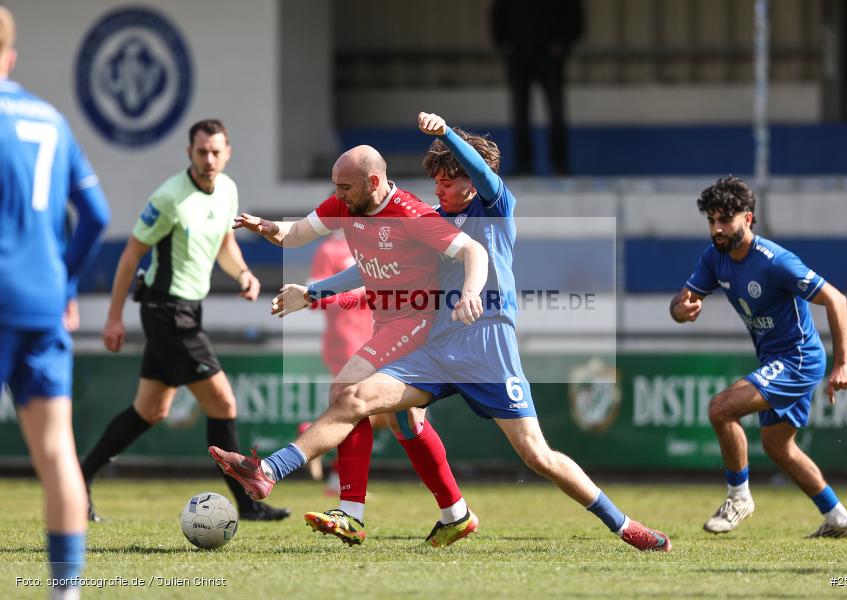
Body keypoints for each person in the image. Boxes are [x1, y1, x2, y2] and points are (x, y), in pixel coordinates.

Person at [211, 112, 672, 552]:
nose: (440, 189)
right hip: (434, 346)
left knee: (537, 455)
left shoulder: (496, 205)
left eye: (449, 181)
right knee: (355, 398)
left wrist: (448, 133)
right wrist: (315, 292)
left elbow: (480, 233)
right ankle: (272, 470)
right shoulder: (428, 218)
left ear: (473, 181)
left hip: (488, 349)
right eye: (435, 180)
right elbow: (373, 271)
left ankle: (624, 525)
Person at [221, 145, 488, 546]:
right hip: (388, 323)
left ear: (374, 182)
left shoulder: (411, 213)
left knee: (346, 392)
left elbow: (473, 250)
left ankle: (324, 499)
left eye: (345, 187)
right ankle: (456, 513)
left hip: (419, 323)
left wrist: (470, 293)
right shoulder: (347, 204)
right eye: (335, 187)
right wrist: (265, 227)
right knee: (406, 422)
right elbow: (294, 235)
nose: (338, 195)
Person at [79, 119, 289, 522]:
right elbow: (129, 256)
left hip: (188, 310)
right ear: (189, 154)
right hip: (165, 312)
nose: (208, 159)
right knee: (223, 402)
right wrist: (113, 318)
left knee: (151, 410)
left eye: (215, 152)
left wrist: (242, 272)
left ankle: (80, 478)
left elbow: (224, 242)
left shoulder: (227, 190)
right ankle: (246, 505)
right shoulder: (170, 198)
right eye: (201, 152)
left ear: (228, 153)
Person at [669, 176, 847, 538]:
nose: (717, 229)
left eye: (725, 219)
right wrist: (681, 310)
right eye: (711, 221)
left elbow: (836, 300)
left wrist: (842, 363)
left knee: (720, 408)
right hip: (776, 361)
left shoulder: (776, 263)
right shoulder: (714, 257)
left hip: (799, 359)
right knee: (778, 446)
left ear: (748, 218)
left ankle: (738, 497)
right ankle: (840, 519)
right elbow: (680, 304)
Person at [0, 6, 110, 597]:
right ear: (12, 56)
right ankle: (64, 592)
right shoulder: (50, 118)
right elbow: (95, 214)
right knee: (56, 451)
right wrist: (65, 285)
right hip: (42, 301)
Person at [302, 230, 374, 487]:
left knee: (381, 412)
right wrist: (360, 293)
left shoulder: (375, 243)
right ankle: (339, 481)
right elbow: (312, 299)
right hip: (345, 340)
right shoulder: (329, 251)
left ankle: (313, 432)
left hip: (376, 337)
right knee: (361, 408)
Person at [490, 0, 583, 175]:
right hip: (519, 55)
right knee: (520, 112)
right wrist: (505, 44)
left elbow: (575, 15)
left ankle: (560, 165)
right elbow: (498, 13)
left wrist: (561, 45)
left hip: (550, 57)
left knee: (556, 112)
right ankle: (524, 165)